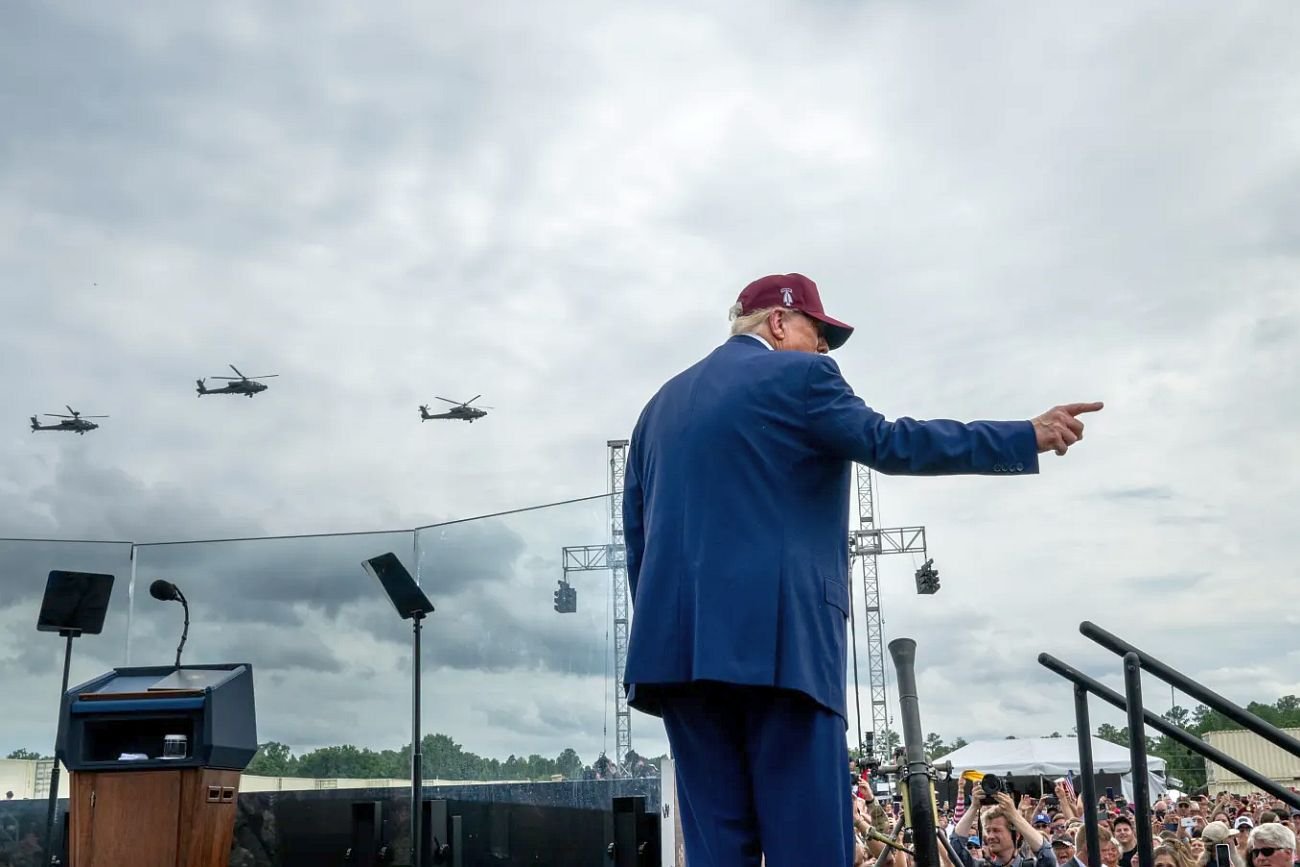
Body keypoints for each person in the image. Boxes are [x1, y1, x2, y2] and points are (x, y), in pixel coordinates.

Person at [622, 273, 1103, 866]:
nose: (824, 349)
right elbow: (892, 442)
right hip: (783, 648)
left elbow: (638, 543)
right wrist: (1023, 436)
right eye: (819, 332)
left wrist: (670, 636)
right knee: (811, 846)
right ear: (778, 322)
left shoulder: (656, 409)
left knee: (717, 850)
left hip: (677, 659)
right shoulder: (802, 377)